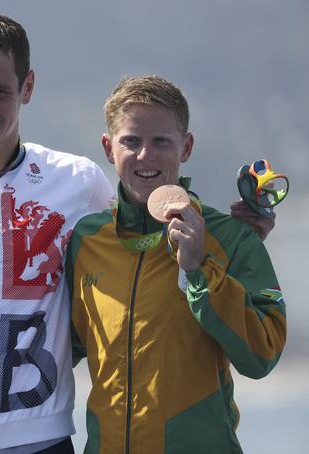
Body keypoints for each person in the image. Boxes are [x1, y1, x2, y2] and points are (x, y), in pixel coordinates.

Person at [0, 13, 278, 454]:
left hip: (42, 439)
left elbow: (141, 238)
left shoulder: (77, 181)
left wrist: (232, 239)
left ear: (28, 87)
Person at [65, 75, 287, 453]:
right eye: (131, 141)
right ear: (108, 147)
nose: (145, 155)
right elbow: (56, 350)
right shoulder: (86, 240)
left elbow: (261, 355)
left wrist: (200, 269)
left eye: (161, 142)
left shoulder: (230, 238)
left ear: (186, 147)